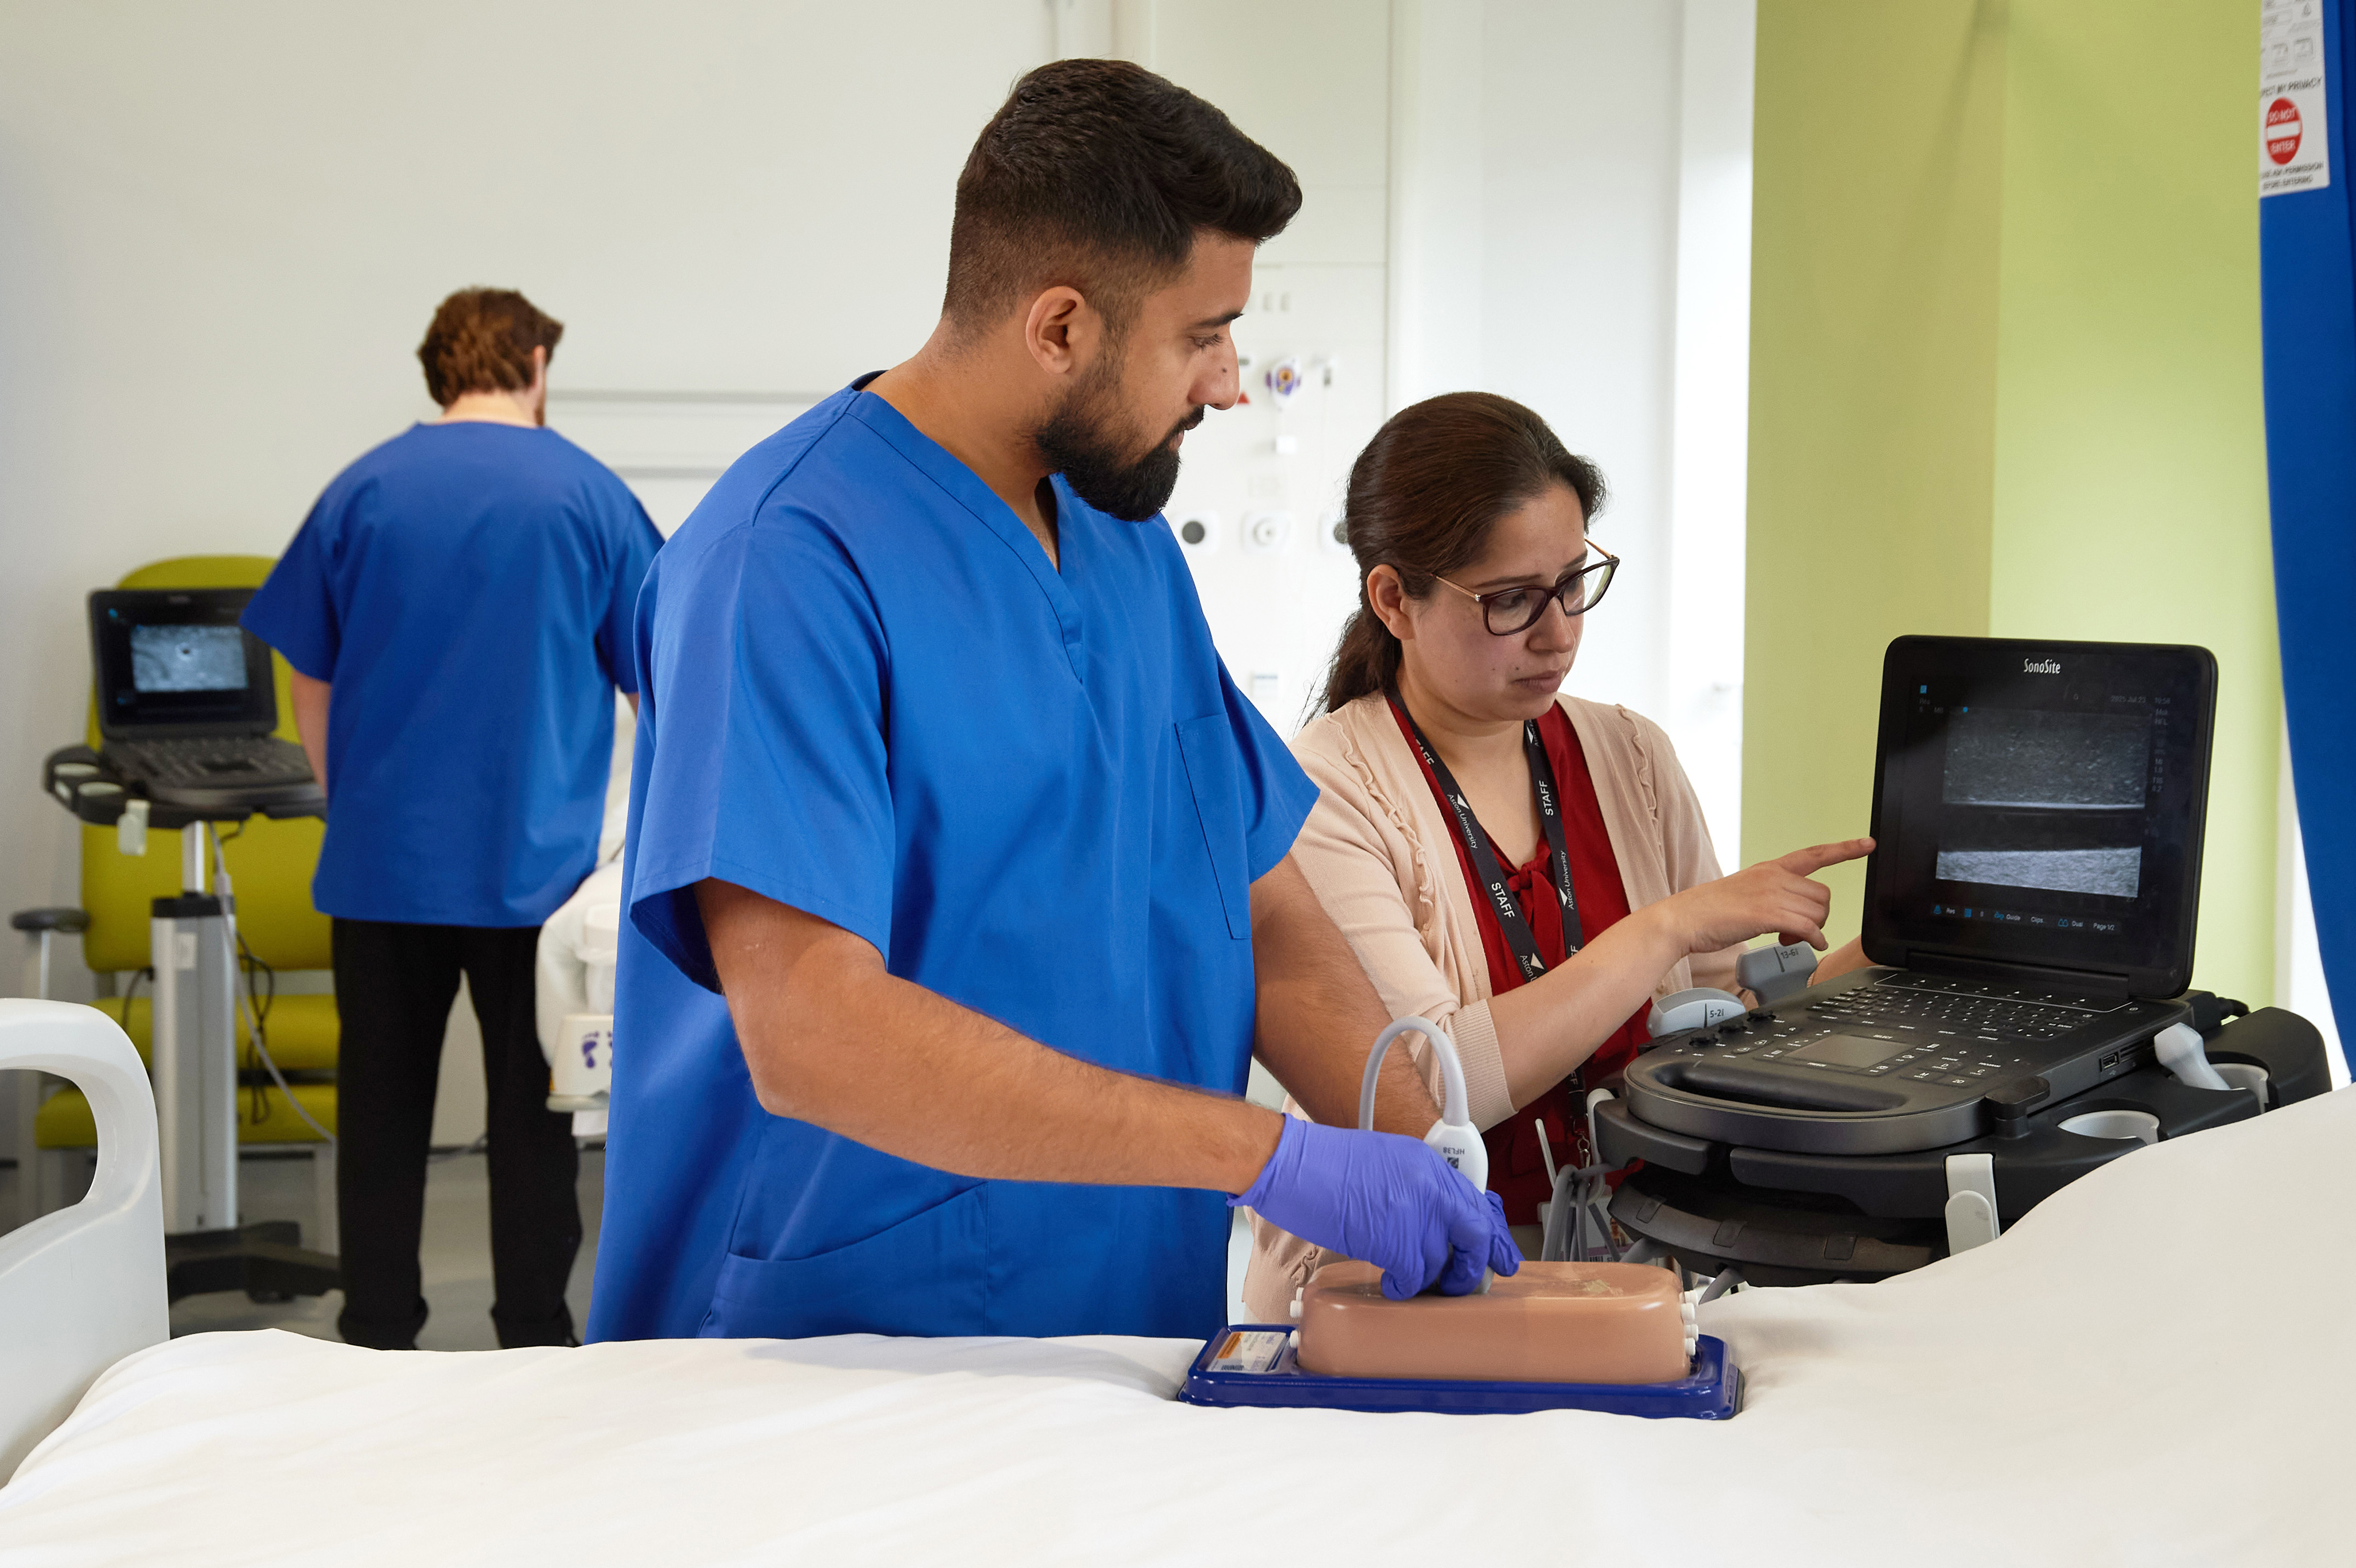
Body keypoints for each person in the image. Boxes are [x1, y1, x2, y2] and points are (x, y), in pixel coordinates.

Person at [588, 60, 1518, 1345]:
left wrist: (1420, 1139)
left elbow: (1251, 890)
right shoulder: (785, 563)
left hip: (1117, 1327)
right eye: (1203, 336)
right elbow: (811, 1029)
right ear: (1061, 327)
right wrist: (1268, 1157)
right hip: (833, 1347)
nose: (1233, 382)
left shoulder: (1124, 539)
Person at [1242, 392, 1873, 1318]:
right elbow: (1420, 1085)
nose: (1560, 630)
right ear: (1392, 600)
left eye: (1573, 582)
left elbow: (1723, 1027)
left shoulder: (1632, 757)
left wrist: (1887, 954)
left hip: (1621, 1276)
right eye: (1511, 601)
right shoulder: (1327, 788)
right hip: (1397, 1291)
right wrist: (1666, 928)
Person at [243, 287, 664, 1350]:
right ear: (531, 360)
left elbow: (312, 678)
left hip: (383, 865)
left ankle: (377, 1328)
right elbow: (657, 684)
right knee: (534, 1120)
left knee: (381, 1112)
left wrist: (357, 807)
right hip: (538, 869)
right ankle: (532, 1333)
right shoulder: (586, 493)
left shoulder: (364, 489)